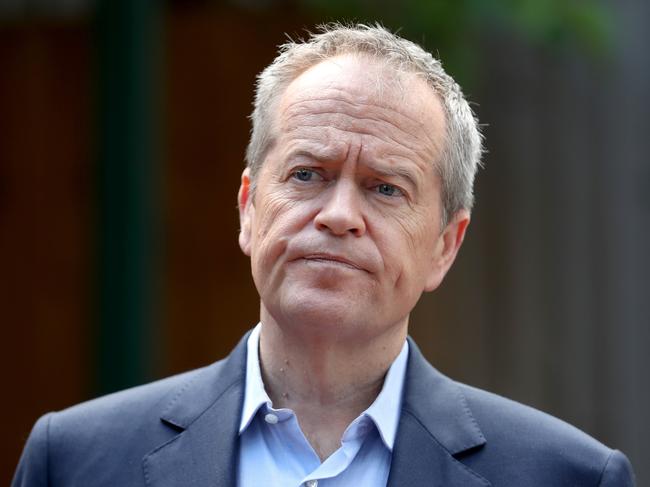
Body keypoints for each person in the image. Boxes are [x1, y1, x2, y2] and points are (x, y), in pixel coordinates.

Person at [13, 23, 635, 487]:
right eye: (308, 174)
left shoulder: (566, 476)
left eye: (385, 188)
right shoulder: (73, 460)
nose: (338, 215)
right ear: (249, 209)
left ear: (445, 247)